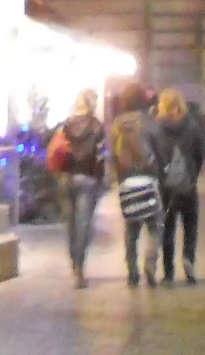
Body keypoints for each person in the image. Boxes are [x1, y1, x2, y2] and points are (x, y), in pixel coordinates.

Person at [149, 88, 205, 284]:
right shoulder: (192, 125)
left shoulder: (155, 128)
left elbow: (153, 157)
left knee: (167, 227)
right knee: (190, 226)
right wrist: (192, 176)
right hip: (187, 184)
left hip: (165, 186)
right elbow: (199, 155)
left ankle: (169, 272)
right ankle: (188, 260)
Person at [51, 90, 107, 287]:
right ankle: (80, 269)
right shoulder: (97, 126)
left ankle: (74, 263)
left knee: (71, 225)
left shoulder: (65, 125)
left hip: (66, 179)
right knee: (84, 225)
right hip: (88, 179)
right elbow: (101, 157)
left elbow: (56, 151)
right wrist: (101, 180)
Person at [108, 104, 162, 288]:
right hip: (147, 179)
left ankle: (132, 272)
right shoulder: (149, 122)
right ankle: (150, 266)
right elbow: (159, 150)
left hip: (126, 181)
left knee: (131, 229)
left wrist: (118, 177)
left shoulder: (116, 125)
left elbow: (112, 154)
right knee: (154, 227)